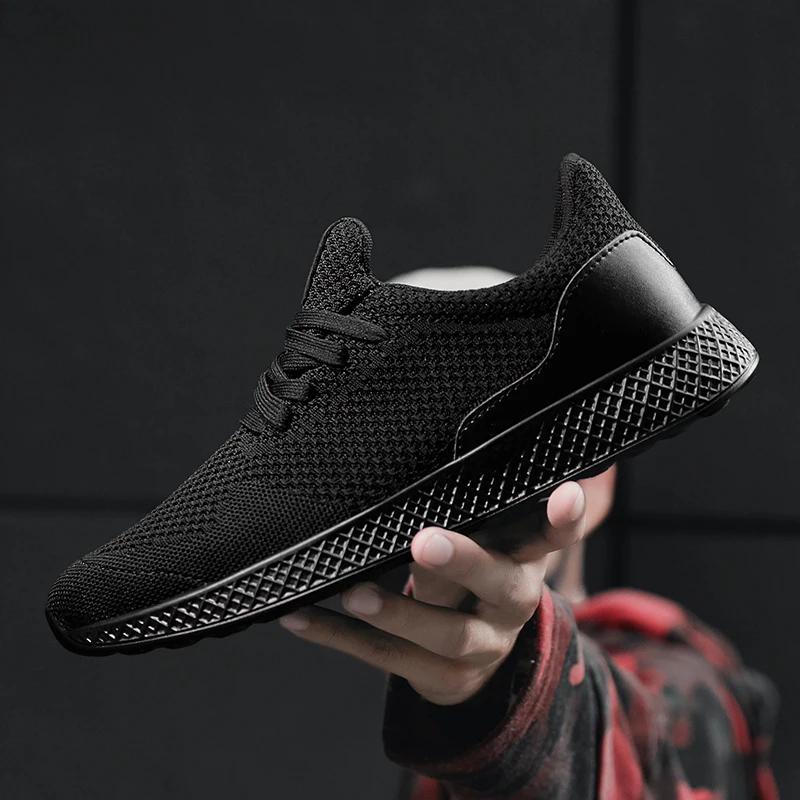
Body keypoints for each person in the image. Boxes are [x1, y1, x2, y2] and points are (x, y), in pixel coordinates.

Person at [276, 268, 779, 800]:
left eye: (513, 439)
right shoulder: (355, 673)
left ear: (600, 460)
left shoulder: (682, 682)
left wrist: (505, 694)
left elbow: (630, 743)